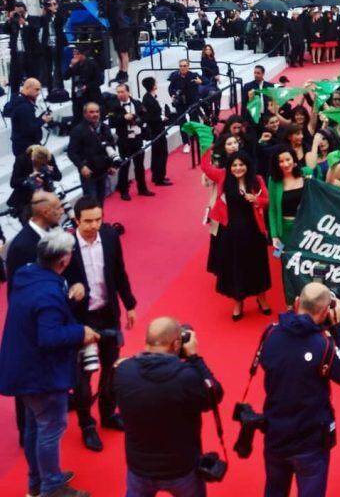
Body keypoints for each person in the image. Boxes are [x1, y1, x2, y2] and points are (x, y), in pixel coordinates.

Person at [0, 229, 99, 497]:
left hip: (21, 368)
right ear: (64, 261)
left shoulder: (27, 274)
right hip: (40, 375)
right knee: (50, 430)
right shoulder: (49, 294)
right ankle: (52, 487)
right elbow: (50, 336)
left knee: (34, 426)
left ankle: (37, 481)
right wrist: (82, 332)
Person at [260, 282, 340, 497]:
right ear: (325, 311)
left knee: (274, 490)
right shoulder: (323, 344)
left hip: (275, 434)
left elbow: (268, 363)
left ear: (296, 303)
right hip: (310, 441)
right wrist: (337, 329)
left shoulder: (270, 334)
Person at [112, 318, 223, 497]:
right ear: (177, 343)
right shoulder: (186, 377)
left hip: (139, 467)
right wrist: (194, 357)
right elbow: (215, 394)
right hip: (181, 469)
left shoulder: (123, 371)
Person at [64, 197, 137, 452]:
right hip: (81, 320)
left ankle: (108, 413)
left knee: (111, 369)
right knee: (83, 378)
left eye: (98, 218)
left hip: (108, 314)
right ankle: (87, 425)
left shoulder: (109, 236)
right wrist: (70, 291)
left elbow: (119, 272)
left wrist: (130, 304)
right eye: (88, 221)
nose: (95, 225)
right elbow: (54, 282)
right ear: (76, 221)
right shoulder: (66, 246)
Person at [200, 149, 271, 319]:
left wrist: (257, 200)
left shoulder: (257, 180)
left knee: (257, 265)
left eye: (241, 165)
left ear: (247, 166)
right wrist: (210, 145)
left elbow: (267, 201)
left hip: (254, 231)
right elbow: (205, 166)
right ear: (229, 167)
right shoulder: (223, 178)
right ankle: (238, 301)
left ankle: (262, 298)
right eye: (234, 165)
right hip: (230, 233)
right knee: (236, 267)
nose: (238, 168)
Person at [67, 102, 120, 204]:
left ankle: (100, 220)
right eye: (91, 112)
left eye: (97, 111)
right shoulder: (77, 131)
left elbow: (111, 146)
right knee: (91, 203)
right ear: (85, 114)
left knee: (101, 200)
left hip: (103, 171)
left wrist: (111, 165)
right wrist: (82, 166)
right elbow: (72, 152)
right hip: (89, 173)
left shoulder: (105, 127)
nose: (95, 114)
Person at [111, 84, 154, 201]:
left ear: (128, 92)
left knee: (139, 166)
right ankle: (124, 191)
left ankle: (142, 188)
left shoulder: (137, 103)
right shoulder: (113, 106)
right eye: (118, 92)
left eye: (122, 92)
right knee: (125, 166)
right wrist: (124, 118)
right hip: (124, 141)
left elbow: (145, 116)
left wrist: (138, 121)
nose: (120, 94)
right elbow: (111, 122)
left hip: (137, 139)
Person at [5, 77, 53, 156]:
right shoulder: (23, 107)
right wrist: (43, 120)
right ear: (27, 88)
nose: (38, 93)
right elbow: (28, 128)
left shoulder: (23, 101)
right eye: (36, 90)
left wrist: (41, 117)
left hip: (27, 145)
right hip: (26, 147)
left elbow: (29, 121)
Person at [3, 2, 40, 92]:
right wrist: (9, 19)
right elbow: (5, 30)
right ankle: (14, 98)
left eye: (20, 11)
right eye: (17, 11)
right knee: (15, 77)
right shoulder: (13, 20)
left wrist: (25, 23)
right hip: (16, 53)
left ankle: (31, 95)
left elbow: (36, 30)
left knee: (31, 77)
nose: (19, 13)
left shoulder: (32, 19)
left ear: (25, 9)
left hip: (29, 53)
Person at [141, 77, 171, 187]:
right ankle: (159, 177)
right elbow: (149, 117)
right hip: (156, 129)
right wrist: (161, 118)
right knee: (161, 153)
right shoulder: (147, 99)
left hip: (158, 128)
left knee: (157, 153)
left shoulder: (150, 97)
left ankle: (156, 175)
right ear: (152, 85)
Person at [168, 59, 203, 154]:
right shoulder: (175, 77)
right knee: (182, 123)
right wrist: (173, 95)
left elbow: (204, 81)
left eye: (184, 66)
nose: (182, 68)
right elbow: (170, 88)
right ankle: (186, 143)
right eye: (181, 66)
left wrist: (200, 82)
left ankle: (199, 140)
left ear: (188, 66)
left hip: (192, 102)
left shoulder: (193, 75)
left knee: (195, 121)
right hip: (180, 103)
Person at [64, 47, 103, 125]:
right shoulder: (74, 65)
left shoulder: (92, 64)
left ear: (82, 54)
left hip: (90, 96)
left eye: (76, 54)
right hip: (77, 97)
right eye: (74, 54)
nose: (74, 56)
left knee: (91, 120)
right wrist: (71, 65)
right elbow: (65, 76)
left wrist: (87, 86)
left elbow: (99, 80)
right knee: (77, 120)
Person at [104, 0, 133, 83]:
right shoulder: (108, 2)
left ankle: (125, 73)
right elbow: (105, 13)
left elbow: (114, 9)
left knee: (124, 52)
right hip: (115, 29)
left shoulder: (117, 2)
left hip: (123, 29)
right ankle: (120, 72)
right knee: (118, 52)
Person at [39, 0, 67, 92]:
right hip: (47, 44)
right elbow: (41, 23)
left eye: (55, 4)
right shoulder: (45, 17)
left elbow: (61, 21)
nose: (53, 6)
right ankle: (50, 89)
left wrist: (55, 12)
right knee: (48, 67)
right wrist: (46, 10)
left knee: (58, 66)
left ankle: (60, 87)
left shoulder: (60, 15)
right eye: (51, 4)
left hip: (58, 43)